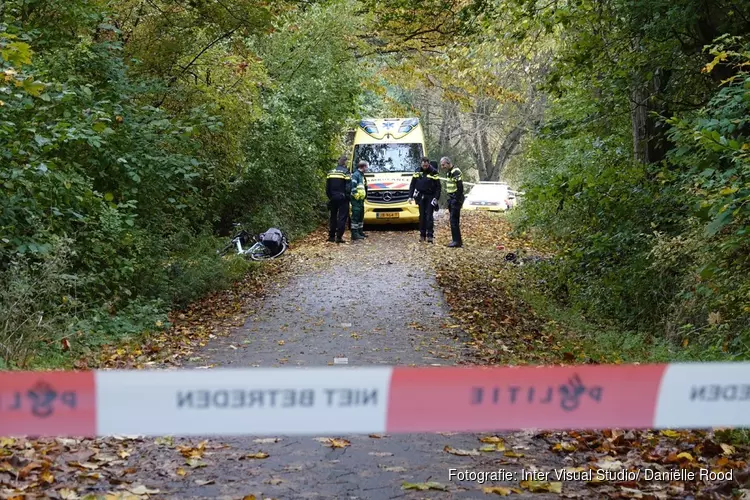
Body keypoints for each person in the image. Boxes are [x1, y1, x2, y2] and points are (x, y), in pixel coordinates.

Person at [408, 157, 441, 243]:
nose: (425, 166)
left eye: (426, 164)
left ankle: (430, 235)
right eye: (423, 164)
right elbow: (412, 184)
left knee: (429, 216)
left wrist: (436, 198)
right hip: (420, 196)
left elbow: (438, 187)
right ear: (421, 164)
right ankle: (422, 234)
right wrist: (410, 196)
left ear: (428, 164)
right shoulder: (417, 171)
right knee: (422, 216)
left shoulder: (434, 172)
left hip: (430, 196)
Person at [326, 155, 351, 243]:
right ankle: (339, 237)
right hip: (343, 198)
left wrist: (330, 197)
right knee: (342, 217)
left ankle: (331, 236)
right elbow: (348, 187)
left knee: (333, 216)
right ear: (345, 162)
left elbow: (327, 187)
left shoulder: (330, 172)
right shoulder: (346, 172)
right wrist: (347, 197)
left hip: (333, 197)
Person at [440, 156, 463, 247]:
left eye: (443, 165)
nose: (442, 167)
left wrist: (456, 200)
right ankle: (456, 240)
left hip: (455, 198)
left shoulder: (455, 171)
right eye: (441, 165)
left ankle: (456, 241)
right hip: (451, 198)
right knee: (453, 220)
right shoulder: (449, 172)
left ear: (448, 163)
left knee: (454, 220)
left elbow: (460, 187)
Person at [350, 160, 368, 241]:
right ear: (363, 167)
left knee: (360, 216)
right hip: (356, 200)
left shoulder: (362, 175)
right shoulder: (356, 175)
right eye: (366, 167)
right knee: (355, 216)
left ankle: (360, 232)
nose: (367, 168)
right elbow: (353, 186)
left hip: (361, 200)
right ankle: (354, 234)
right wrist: (356, 195)